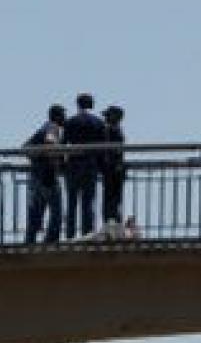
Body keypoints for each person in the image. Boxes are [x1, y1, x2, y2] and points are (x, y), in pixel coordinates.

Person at [62, 92, 107, 238]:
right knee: (88, 202)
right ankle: (87, 234)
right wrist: (102, 168)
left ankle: (70, 235)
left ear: (78, 104)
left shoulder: (70, 122)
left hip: (73, 165)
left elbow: (63, 145)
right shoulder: (98, 122)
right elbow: (103, 148)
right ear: (91, 104)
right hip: (90, 165)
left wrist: (62, 165)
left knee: (71, 202)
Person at [23, 104, 67, 244]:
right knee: (56, 211)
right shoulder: (52, 127)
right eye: (63, 115)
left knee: (36, 211)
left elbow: (26, 148)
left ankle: (29, 241)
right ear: (57, 116)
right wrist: (56, 162)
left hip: (37, 176)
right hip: (47, 176)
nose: (65, 118)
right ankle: (51, 240)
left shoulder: (43, 128)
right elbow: (50, 144)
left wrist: (38, 159)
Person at [101, 105, 126, 225]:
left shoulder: (111, 130)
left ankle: (112, 224)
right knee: (114, 201)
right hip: (115, 170)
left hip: (112, 170)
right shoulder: (116, 130)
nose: (105, 118)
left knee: (111, 200)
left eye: (107, 115)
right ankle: (114, 224)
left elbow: (115, 152)